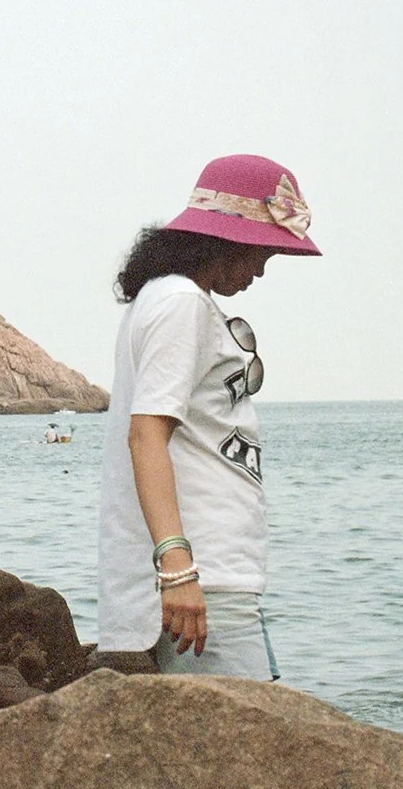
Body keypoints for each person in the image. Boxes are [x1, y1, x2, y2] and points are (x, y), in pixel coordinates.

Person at [95, 154, 321, 678]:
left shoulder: (168, 298)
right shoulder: (180, 303)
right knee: (254, 753)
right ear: (226, 240)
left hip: (210, 579)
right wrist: (178, 569)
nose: (262, 268)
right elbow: (146, 435)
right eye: (262, 250)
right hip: (203, 582)